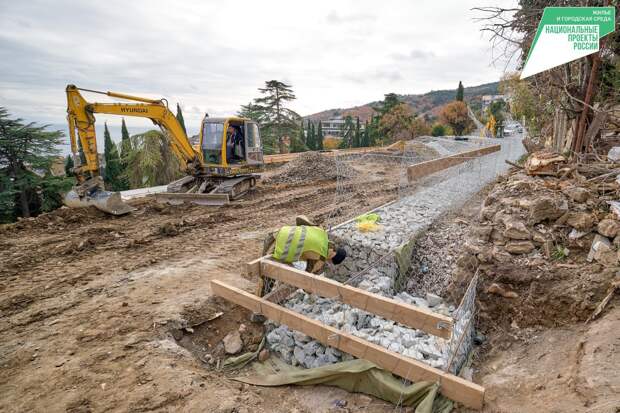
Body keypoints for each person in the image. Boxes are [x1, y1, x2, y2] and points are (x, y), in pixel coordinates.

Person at [263, 215, 347, 274]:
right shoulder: (321, 258)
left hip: (283, 231)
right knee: (270, 269)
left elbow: (302, 221)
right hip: (284, 246)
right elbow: (308, 274)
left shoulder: (323, 233)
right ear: (331, 259)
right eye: (330, 262)